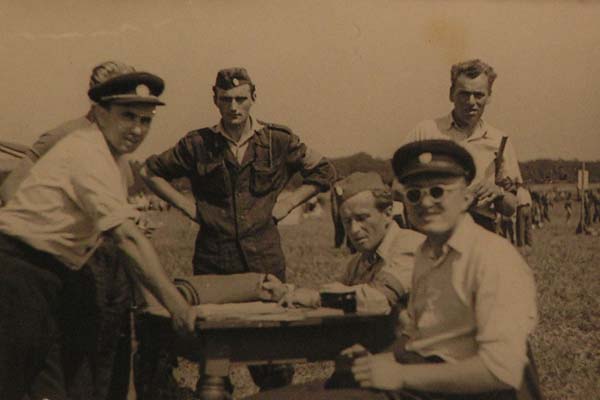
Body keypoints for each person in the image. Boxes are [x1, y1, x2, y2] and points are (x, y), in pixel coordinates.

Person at [247, 139, 542, 400]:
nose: (425, 202)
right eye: (413, 195)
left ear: (466, 198)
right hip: (425, 381)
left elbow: (502, 372)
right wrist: (381, 358)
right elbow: (422, 338)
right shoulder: (428, 253)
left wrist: (401, 375)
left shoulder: (492, 258)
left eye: (438, 192)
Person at [0, 65, 198, 400]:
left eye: (145, 120)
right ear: (100, 113)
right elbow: (126, 237)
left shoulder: (114, 159)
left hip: (57, 275)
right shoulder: (86, 152)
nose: (137, 129)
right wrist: (177, 307)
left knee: (57, 390)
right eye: (127, 116)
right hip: (18, 274)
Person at [139, 67, 335, 392]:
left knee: (274, 364)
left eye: (241, 99)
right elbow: (150, 171)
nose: (234, 107)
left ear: (253, 97)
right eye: (226, 99)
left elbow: (324, 171)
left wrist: (288, 203)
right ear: (215, 99)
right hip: (214, 264)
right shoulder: (198, 144)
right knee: (215, 361)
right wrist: (188, 207)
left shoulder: (277, 140)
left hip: (264, 261)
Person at [275, 172, 424, 312]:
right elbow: (337, 292)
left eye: (362, 218)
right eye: (347, 221)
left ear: (387, 213)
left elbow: (380, 298)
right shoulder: (358, 262)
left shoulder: (410, 246)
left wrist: (317, 298)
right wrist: (288, 291)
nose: (354, 230)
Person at [403, 59, 522, 232]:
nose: (471, 101)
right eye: (464, 94)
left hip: (480, 231)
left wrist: (499, 193)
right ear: (451, 94)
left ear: (489, 96)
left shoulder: (500, 141)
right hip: (430, 230)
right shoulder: (425, 132)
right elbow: (396, 187)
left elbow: (511, 207)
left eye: (479, 95)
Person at [516, 182, 533, 248]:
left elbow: (517, 202)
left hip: (521, 208)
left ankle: (521, 244)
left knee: (521, 227)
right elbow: (530, 201)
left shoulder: (518, 191)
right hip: (528, 208)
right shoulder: (526, 191)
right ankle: (529, 243)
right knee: (528, 227)